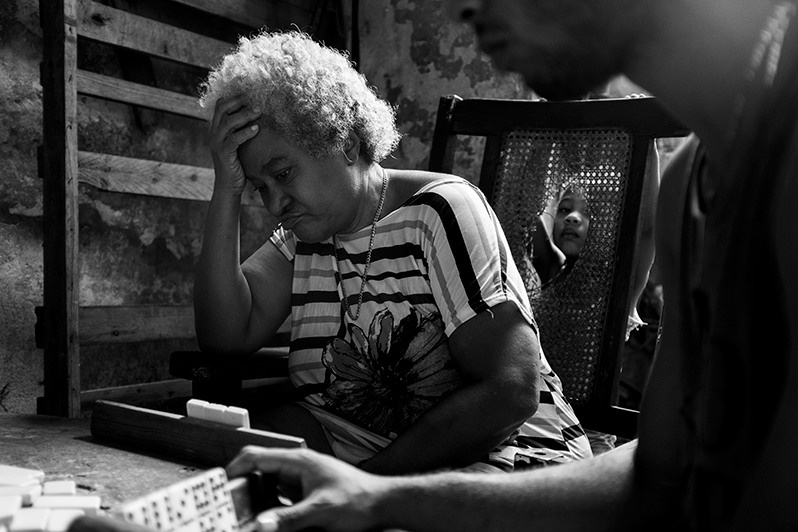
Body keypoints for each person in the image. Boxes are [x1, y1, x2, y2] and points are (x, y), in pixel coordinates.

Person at [223, 0, 798, 530]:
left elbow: (514, 391)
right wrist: (378, 496)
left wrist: (382, 489)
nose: (463, 7)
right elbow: (658, 474)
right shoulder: (687, 192)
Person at [193, 30, 592, 476]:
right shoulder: (304, 237)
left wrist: (371, 484)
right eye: (259, 187)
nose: (273, 204)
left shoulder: (440, 212)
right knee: (243, 461)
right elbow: (224, 334)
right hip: (364, 448)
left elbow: (512, 390)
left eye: (283, 173)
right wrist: (227, 187)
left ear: (344, 141)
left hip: (504, 457)